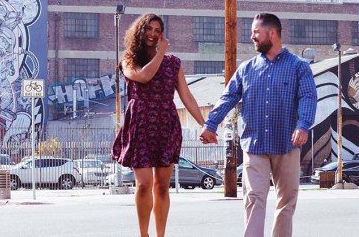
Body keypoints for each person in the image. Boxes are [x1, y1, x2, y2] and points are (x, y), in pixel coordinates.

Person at [200, 13, 317, 237]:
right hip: (254, 145)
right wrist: (211, 124)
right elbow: (228, 97)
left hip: (287, 143)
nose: (252, 37)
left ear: (272, 33)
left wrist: (303, 125)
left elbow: (308, 97)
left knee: (286, 200)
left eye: (256, 32)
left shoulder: (299, 66)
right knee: (254, 198)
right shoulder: (247, 69)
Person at [111, 13, 206, 237]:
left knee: (162, 186)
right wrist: (161, 52)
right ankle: (144, 234)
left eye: (157, 30)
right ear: (139, 31)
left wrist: (205, 125)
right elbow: (144, 76)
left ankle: (160, 235)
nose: (152, 34)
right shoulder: (129, 60)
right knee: (144, 184)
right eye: (148, 29)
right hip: (140, 123)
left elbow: (186, 96)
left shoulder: (173, 63)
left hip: (166, 123)